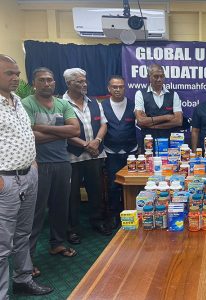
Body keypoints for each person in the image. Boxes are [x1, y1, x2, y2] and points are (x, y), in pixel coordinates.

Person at [0, 55, 53, 297]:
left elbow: (26, 135)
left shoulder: (18, 101)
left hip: (28, 175)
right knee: (2, 244)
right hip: (6, 180)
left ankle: (22, 278)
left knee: (24, 233)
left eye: (17, 73)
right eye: (9, 73)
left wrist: (32, 164)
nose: (15, 78)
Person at [23, 68, 80, 277]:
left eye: (50, 80)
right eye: (42, 80)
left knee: (60, 207)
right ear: (34, 83)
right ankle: (27, 259)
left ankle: (57, 243)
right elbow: (29, 136)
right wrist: (59, 133)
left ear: (55, 83)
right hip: (38, 164)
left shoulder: (62, 104)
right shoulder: (26, 103)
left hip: (62, 163)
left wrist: (41, 128)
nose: (47, 83)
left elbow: (75, 130)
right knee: (36, 213)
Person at [63, 68, 111, 245]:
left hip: (95, 154)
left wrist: (97, 141)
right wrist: (85, 145)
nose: (84, 84)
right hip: (72, 157)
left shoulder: (94, 102)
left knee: (96, 191)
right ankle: (72, 230)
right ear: (68, 83)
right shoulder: (61, 104)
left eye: (85, 81)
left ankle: (97, 221)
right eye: (79, 82)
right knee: (72, 195)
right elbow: (63, 132)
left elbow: (104, 124)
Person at [101, 75, 138, 229]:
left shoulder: (134, 105)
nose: (117, 89)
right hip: (112, 153)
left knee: (133, 185)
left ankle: (134, 213)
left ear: (125, 88)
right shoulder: (102, 105)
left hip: (132, 152)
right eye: (114, 86)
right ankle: (115, 216)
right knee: (113, 186)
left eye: (121, 86)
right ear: (109, 88)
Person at [134, 64, 183, 148]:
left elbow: (178, 121)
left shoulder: (173, 94)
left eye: (162, 76)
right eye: (156, 76)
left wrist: (152, 124)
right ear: (148, 77)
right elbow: (141, 121)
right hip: (149, 143)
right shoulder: (140, 94)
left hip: (170, 144)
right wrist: (166, 117)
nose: (159, 79)